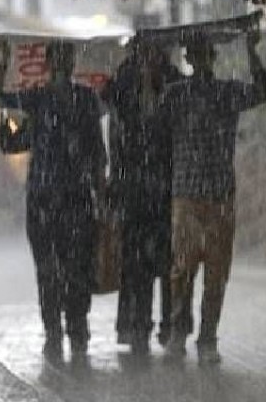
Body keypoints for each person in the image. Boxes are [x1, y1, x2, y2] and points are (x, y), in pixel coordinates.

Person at [0, 41, 107, 363]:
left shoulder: (85, 99)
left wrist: (101, 190)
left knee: (78, 267)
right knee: (48, 270)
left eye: (67, 58)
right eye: (59, 58)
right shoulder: (37, 99)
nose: (64, 64)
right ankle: (54, 330)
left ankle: (77, 326)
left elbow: (97, 151)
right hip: (43, 198)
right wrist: (3, 63)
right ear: (50, 63)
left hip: (77, 197)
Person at [160, 31, 266, 365]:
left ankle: (208, 337)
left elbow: (261, 91)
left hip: (219, 193)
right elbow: (153, 121)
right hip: (187, 193)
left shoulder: (226, 92)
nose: (202, 60)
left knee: (216, 273)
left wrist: (253, 52)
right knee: (183, 268)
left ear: (211, 57)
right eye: (196, 54)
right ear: (190, 59)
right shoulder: (176, 94)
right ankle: (179, 330)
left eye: (206, 54)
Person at [102, 38, 185, 356]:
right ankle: (138, 325)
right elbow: (109, 105)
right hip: (135, 189)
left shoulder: (172, 82)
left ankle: (170, 324)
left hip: (164, 188)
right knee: (136, 263)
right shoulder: (124, 85)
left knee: (167, 263)